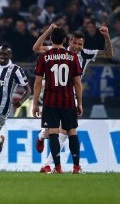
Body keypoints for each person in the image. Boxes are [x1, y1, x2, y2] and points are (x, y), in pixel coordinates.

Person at [33, 24, 113, 173]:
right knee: (57, 131)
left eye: (80, 44)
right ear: (69, 41)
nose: (77, 46)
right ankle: (42, 138)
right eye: (75, 43)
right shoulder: (55, 51)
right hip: (54, 95)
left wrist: (107, 36)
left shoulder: (86, 54)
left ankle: (48, 164)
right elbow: (37, 47)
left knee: (63, 131)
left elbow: (108, 54)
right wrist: (49, 31)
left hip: (71, 96)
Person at [32, 27, 83, 174]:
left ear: (51, 40)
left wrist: (35, 104)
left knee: (53, 132)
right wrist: (80, 103)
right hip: (68, 101)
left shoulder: (44, 56)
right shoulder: (72, 57)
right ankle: (76, 167)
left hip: (50, 101)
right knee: (72, 132)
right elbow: (78, 83)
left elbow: (37, 82)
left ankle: (58, 167)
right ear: (66, 41)